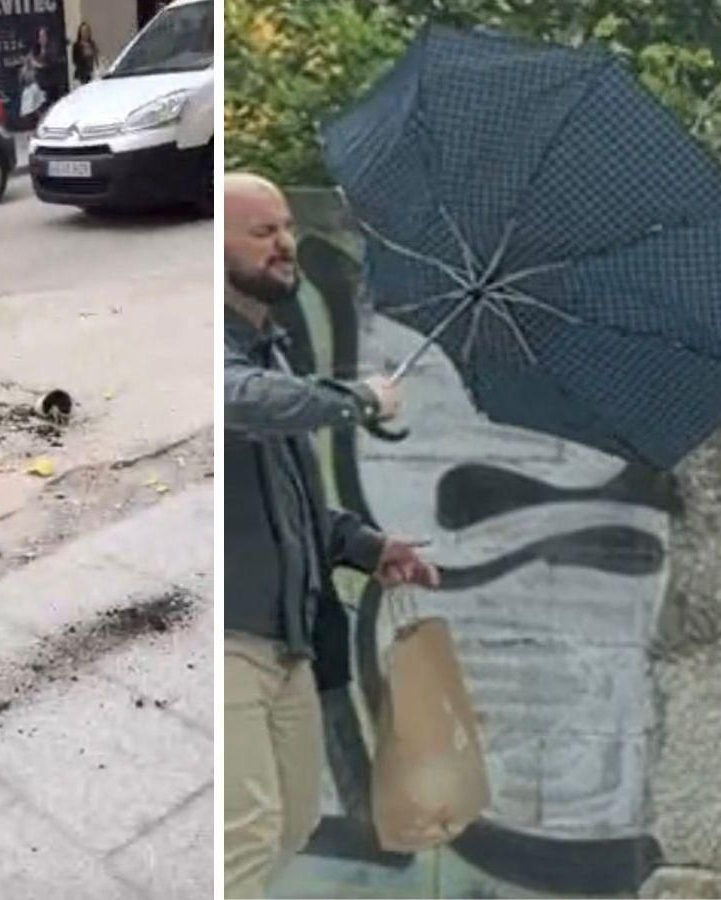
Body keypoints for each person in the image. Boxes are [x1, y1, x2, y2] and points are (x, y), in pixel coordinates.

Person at [223, 172, 440, 898]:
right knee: (244, 835)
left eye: (286, 227)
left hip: (289, 639)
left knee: (287, 825)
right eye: (262, 232)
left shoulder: (271, 349)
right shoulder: (218, 354)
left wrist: (369, 547)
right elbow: (240, 403)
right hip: (229, 635)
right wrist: (355, 398)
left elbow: (297, 498)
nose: (285, 245)